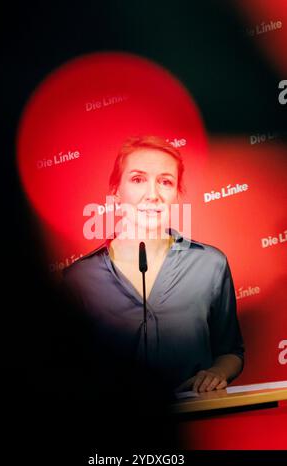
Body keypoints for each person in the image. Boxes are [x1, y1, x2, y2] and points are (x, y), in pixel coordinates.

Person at [63, 135, 244, 399]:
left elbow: (231, 352)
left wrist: (217, 373)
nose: (153, 195)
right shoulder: (79, 279)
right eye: (138, 180)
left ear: (176, 193)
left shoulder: (211, 264)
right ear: (115, 192)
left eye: (166, 182)